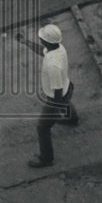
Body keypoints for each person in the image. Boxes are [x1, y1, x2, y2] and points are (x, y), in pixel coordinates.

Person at [16, 23, 78, 168]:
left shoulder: (53, 65)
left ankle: (46, 158)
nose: (40, 40)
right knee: (67, 100)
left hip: (57, 96)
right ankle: (73, 119)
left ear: (46, 42)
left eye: (41, 38)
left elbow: (57, 93)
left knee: (42, 128)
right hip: (67, 87)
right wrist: (26, 42)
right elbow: (42, 51)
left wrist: (53, 111)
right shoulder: (59, 48)